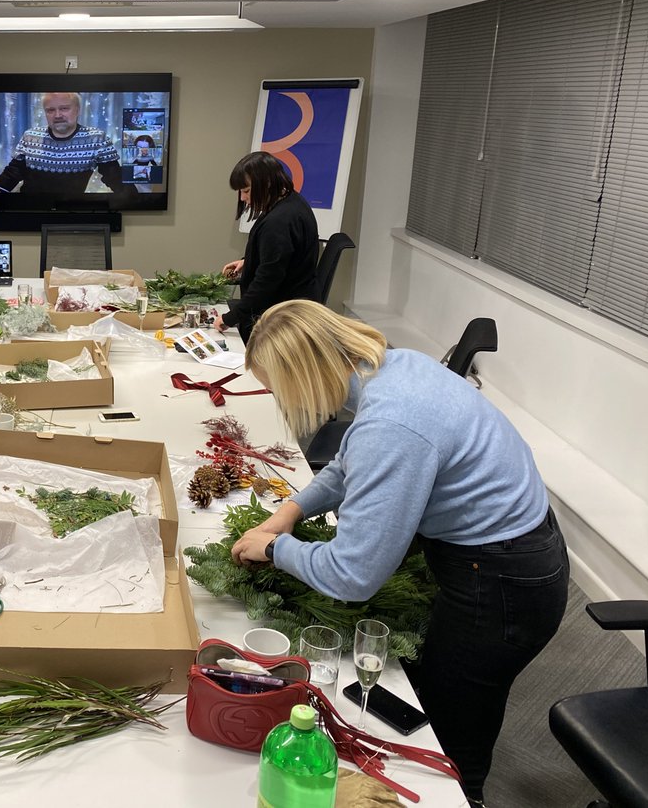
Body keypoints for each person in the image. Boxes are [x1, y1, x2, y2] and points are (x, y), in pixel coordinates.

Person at [230, 300, 569, 806]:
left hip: (504, 581)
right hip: (515, 552)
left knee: (451, 727)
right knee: (445, 696)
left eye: (280, 387)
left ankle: (467, 797)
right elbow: (350, 464)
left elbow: (353, 575)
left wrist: (277, 548)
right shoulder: (393, 366)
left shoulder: (392, 422)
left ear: (303, 374)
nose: (283, 400)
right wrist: (291, 510)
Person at [214, 151, 319, 342]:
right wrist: (248, 261)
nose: (242, 198)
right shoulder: (293, 201)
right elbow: (283, 255)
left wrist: (230, 318)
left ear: (267, 184)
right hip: (293, 305)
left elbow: (267, 280)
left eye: (246, 191)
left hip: (280, 318)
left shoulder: (278, 222)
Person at [0, 91, 137, 196]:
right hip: (30, 210)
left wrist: (140, 202)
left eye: (64, 108)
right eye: (50, 110)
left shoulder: (97, 139)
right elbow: (12, 174)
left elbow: (115, 177)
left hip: (71, 212)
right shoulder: (30, 136)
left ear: (78, 110)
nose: (57, 115)